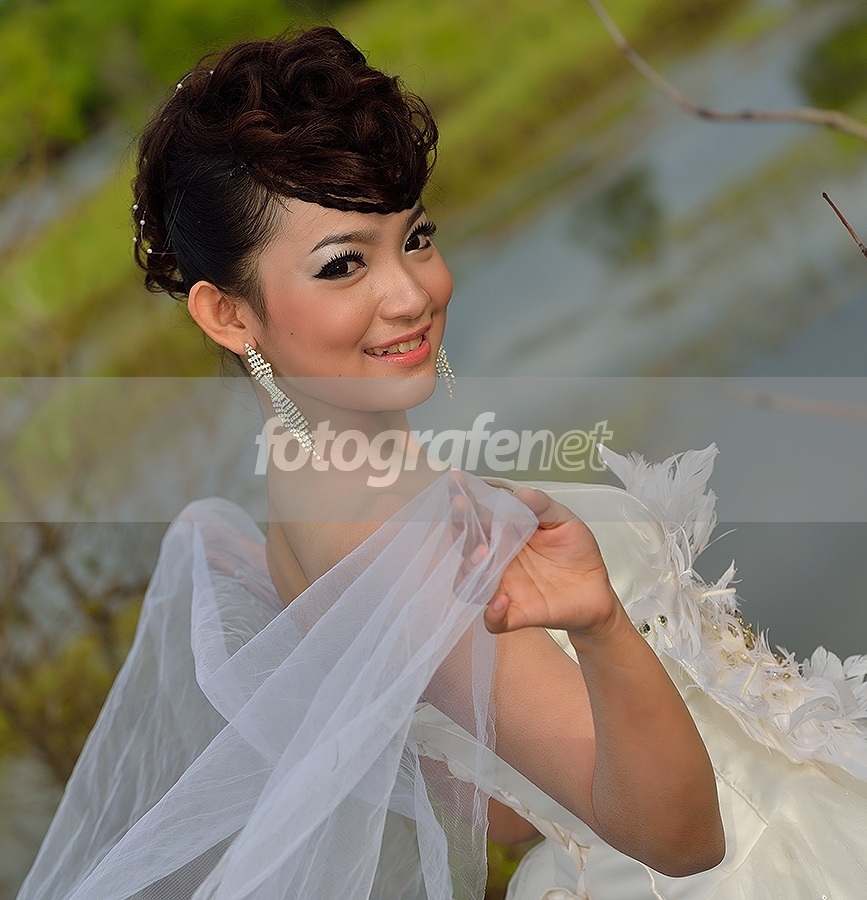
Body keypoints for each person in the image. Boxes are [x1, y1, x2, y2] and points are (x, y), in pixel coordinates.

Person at [17, 26, 867, 900]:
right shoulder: (384, 528)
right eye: (343, 264)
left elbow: (499, 808)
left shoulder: (313, 506)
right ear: (229, 315)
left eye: (415, 238)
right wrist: (603, 629)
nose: (410, 292)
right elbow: (678, 840)